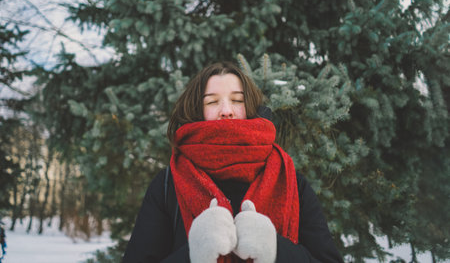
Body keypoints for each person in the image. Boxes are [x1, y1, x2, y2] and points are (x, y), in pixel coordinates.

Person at [123, 62, 344, 263]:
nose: (226, 111)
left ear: (250, 108)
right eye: (212, 102)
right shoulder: (167, 185)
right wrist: (192, 255)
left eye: (237, 100)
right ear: (196, 111)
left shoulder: (289, 179)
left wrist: (277, 250)